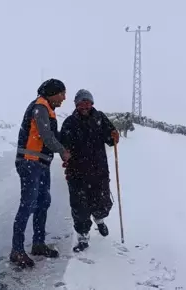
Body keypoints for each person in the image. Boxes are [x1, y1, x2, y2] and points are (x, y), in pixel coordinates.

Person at [10, 78, 71, 268]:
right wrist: (62, 151)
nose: (64, 98)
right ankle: (17, 250)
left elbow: (53, 136)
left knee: (43, 202)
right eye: (61, 93)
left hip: (41, 164)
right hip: (30, 163)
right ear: (53, 93)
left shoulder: (48, 109)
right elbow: (46, 135)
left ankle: (38, 243)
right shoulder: (40, 107)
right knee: (28, 204)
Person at [59, 89, 120, 252]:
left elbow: (110, 140)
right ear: (76, 105)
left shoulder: (100, 118)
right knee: (80, 207)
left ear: (92, 104)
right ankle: (83, 237)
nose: (84, 106)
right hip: (77, 173)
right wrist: (65, 154)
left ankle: (99, 220)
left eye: (87, 103)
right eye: (81, 103)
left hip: (99, 170)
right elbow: (62, 145)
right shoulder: (70, 122)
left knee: (101, 202)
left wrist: (114, 136)